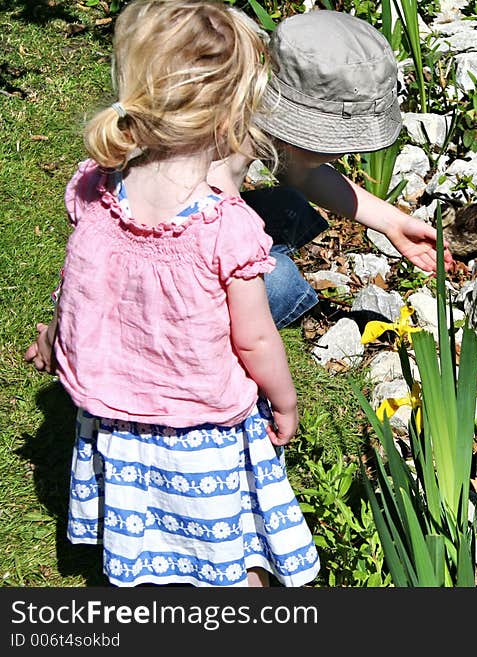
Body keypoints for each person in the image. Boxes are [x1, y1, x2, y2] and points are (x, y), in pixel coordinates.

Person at [24, 0, 319, 587]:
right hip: (201, 424)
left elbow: (82, 280)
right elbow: (256, 337)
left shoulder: (94, 185)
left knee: (140, 520)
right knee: (230, 542)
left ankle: (139, 576)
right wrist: (283, 401)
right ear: (235, 112)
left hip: (119, 413)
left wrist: (60, 334)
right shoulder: (225, 227)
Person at [206, 9, 453, 328]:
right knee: (282, 281)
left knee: (290, 207)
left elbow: (300, 173)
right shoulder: (212, 166)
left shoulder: (248, 114)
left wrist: (393, 223)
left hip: (203, 229)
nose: (345, 151)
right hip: (171, 257)